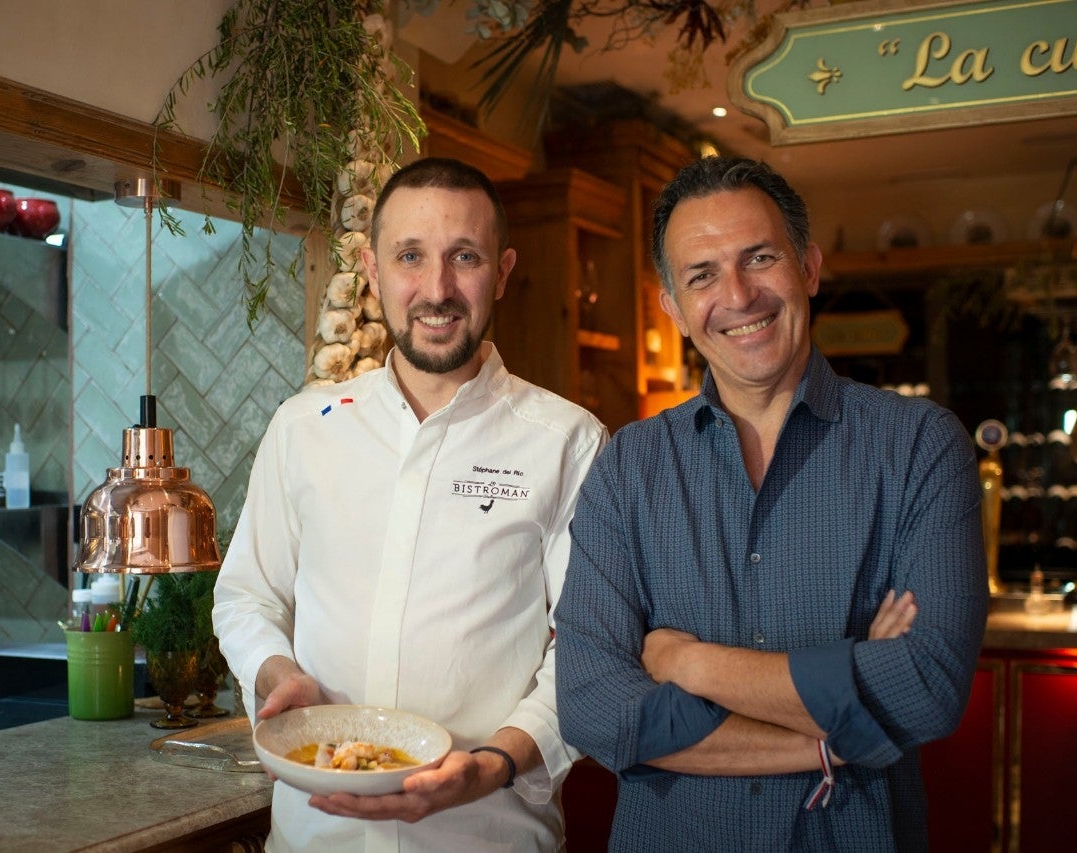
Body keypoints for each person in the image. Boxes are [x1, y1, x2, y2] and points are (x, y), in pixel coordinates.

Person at [554, 156, 988, 851]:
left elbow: (926, 685)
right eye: (702, 275)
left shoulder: (919, 446)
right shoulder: (628, 466)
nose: (738, 294)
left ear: (809, 268)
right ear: (671, 304)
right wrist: (834, 737)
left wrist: (688, 663)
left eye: (759, 257)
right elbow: (595, 709)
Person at [213, 156, 608, 852]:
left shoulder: (568, 442)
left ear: (505, 271)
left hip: (488, 835)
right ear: (371, 269)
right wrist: (277, 674)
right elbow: (247, 595)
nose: (437, 288)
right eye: (410, 256)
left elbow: (588, 646)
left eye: (465, 257)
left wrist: (496, 762)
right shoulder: (304, 428)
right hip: (313, 838)